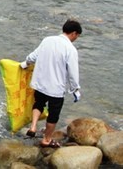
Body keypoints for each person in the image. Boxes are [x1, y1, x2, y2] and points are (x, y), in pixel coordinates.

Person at [20, 19, 82, 149]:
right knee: (53, 114)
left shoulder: (47, 40)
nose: (76, 38)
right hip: (55, 88)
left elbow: (34, 56)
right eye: (77, 36)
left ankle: (33, 126)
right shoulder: (70, 49)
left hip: (40, 82)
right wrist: (75, 89)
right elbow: (73, 72)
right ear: (74, 33)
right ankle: (47, 140)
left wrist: (26, 63)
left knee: (38, 104)